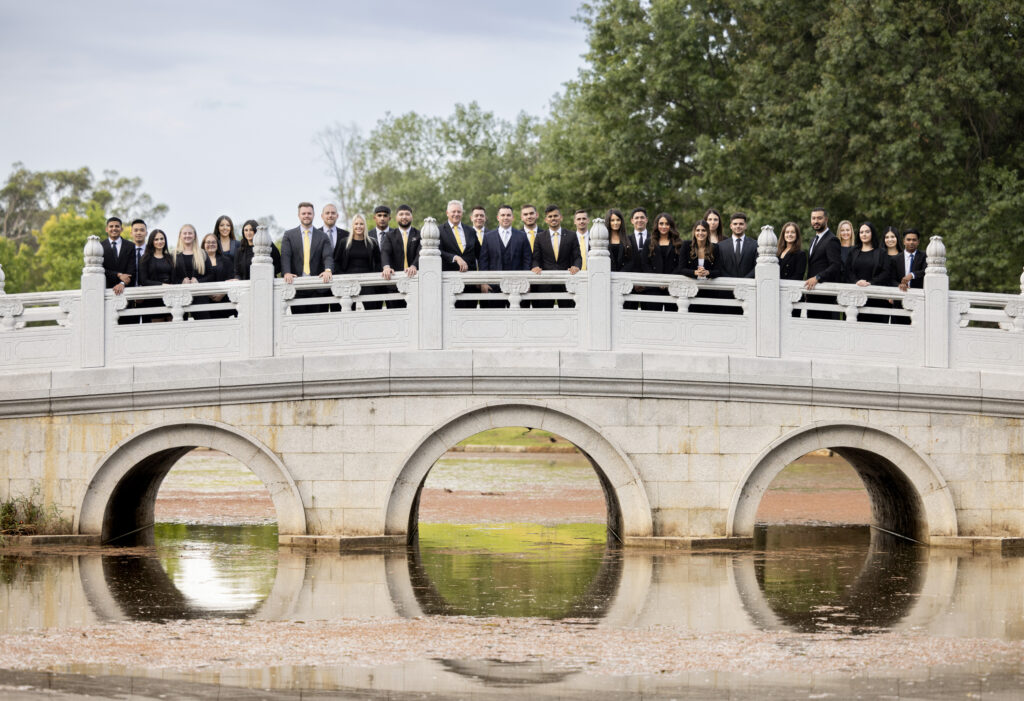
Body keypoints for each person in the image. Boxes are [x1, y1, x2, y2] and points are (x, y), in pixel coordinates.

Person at [281, 202, 333, 314]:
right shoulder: (289, 235)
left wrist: (328, 270)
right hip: (297, 287)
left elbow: (328, 256)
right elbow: (285, 256)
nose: (306, 216)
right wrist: (286, 272)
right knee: (299, 324)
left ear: (313, 215)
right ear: (299, 215)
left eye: (309, 213)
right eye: (303, 213)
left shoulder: (323, 236)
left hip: (318, 287)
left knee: (318, 324)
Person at [478, 204, 532, 307]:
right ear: (498, 217)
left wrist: (527, 280)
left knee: (517, 318)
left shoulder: (522, 236)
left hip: (517, 285)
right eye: (503, 215)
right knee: (496, 319)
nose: (505, 217)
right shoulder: (488, 237)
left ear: (513, 217)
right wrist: (483, 282)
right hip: (494, 285)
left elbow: (527, 260)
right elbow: (483, 261)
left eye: (508, 215)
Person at [531, 204, 582, 308]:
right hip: (546, 283)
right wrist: (535, 266)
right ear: (546, 220)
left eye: (555, 216)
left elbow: (577, 257)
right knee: (544, 316)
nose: (553, 218)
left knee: (568, 315)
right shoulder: (540, 237)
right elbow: (536, 258)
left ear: (561, 217)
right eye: (550, 216)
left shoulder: (571, 235)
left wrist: (576, 266)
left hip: (566, 283)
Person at [845, 222, 893, 323]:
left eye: (867, 231)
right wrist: (856, 281)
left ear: (872, 233)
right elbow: (847, 271)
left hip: (877, 299)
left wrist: (870, 283)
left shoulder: (881, 252)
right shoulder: (853, 251)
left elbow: (886, 273)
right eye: (861, 232)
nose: (864, 234)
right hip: (856, 298)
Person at [335, 214, 382, 310]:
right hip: (348, 283)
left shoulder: (372, 243)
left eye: (361, 224)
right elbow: (336, 262)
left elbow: (379, 262)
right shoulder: (344, 242)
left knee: (372, 310)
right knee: (348, 312)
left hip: (367, 282)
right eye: (356, 224)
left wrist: (373, 276)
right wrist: (343, 276)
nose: (359, 226)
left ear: (365, 226)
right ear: (352, 226)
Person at [803, 207, 842, 319]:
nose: (816, 221)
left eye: (819, 218)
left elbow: (835, 265)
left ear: (826, 220)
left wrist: (818, 277)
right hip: (812, 293)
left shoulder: (832, 240)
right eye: (813, 218)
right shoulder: (813, 240)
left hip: (825, 294)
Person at [439, 199, 479, 308]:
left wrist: (481, 278)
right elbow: (438, 251)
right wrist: (455, 257)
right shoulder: (439, 230)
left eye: (459, 212)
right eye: (453, 211)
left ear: (462, 213)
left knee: (470, 315)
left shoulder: (471, 231)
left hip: (470, 282)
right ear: (447, 213)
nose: (456, 214)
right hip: (450, 281)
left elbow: (479, 254)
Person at [380, 204, 420, 309]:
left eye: (407, 214)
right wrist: (386, 267)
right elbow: (385, 252)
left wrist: (414, 266)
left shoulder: (419, 235)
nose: (404, 217)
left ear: (412, 217)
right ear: (396, 217)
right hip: (394, 284)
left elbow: (420, 253)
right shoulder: (389, 235)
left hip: (415, 283)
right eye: (401, 214)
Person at [640, 213, 682, 311]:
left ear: (671, 226)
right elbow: (645, 264)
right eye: (661, 223)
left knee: (672, 320)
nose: (664, 226)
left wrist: (668, 281)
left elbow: (680, 265)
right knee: (652, 320)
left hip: (673, 287)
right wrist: (657, 281)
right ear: (657, 225)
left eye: (667, 224)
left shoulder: (678, 243)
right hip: (653, 287)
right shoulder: (649, 242)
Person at [678, 219, 720, 313]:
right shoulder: (686, 245)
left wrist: (708, 272)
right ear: (694, 232)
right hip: (691, 290)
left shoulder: (715, 248)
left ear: (708, 232)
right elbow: (680, 269)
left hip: (709, 290)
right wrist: (695, 272)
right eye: (698, 230)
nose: (700, 233)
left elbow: (719, 270)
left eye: (703, 230)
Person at [138, 229, 173, 322]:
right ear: (151, 241)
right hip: (153, 298)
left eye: (162, 239)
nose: (160, 241)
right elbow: (143, 281)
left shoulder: (170, 258)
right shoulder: (145, 259)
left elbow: (173, 278)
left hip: (169, 297)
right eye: (156, 239)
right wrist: (161, 285)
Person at [199, 233, 235, 319]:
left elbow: (231, 278)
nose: (211, 244)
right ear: (203, 245)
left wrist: (222, 293)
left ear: (217, 244)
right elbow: (197, 279)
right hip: (205, 301)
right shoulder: (198, 261)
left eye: (213, 242)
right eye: (208, 242)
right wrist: (209, 293)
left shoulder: (226, 260)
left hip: (224, 300)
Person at [101, 216, 134, 295]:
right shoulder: (100, 246)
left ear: (121, 229)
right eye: (111, 226)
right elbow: (101, 269)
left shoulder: (130, 246)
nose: (114, 228)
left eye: (117, 226)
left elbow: (132, 269)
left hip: (126, 289)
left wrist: (122, 283)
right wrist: (118, 275)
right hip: (106, 290)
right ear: (106, 229)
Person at [718, 212, 757, 278]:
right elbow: (720, 267)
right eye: (735, 224)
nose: (738, 226)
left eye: (741, 224)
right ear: (731, 226)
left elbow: (757, 266)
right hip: (727, 284)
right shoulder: (721, 246)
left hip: (748, 284)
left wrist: (744, 280)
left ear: (745, 226)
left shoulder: (755, 244)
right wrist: (732, 281)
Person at [606, 208, 635, 273]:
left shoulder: (629, 239)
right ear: (608, 222)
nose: (615, 223)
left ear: (621, 221)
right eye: (612, 220)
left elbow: (631, 261)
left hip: (623, 276)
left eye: (618, 220)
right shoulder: (603, 239)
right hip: (606, 275)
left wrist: (621, 273)